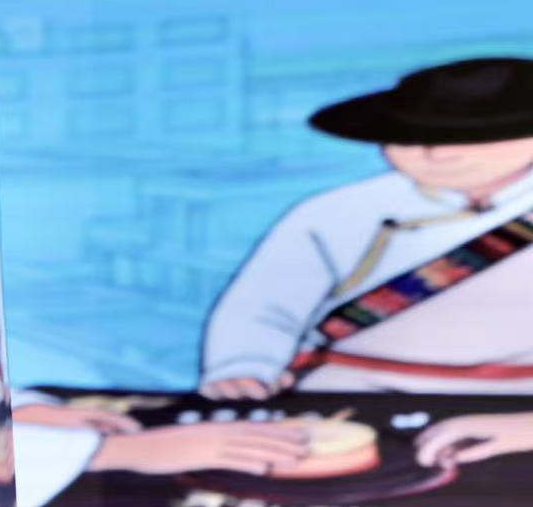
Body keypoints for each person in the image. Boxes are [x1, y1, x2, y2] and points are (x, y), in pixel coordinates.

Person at [199, 57, 533, 397]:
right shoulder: (335, 212)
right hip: (352, 386)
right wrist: (243, 368)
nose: (439, 154)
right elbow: (265, 302)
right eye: (413, 138)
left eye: (473, 137)